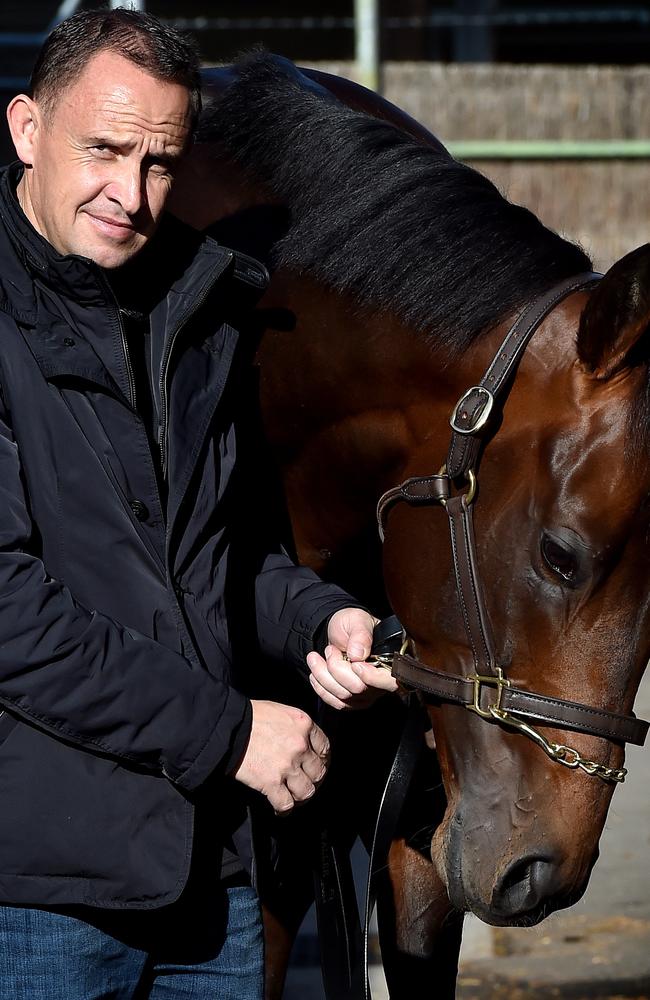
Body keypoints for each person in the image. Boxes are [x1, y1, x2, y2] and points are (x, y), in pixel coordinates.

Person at [0, 8, 396, 998]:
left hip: (213, 891)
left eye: (160, 162)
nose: (129, 195)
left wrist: (323, 615)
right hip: (40, 900)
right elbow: (10, 617)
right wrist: (229, 734)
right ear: (26, 130)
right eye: (104, 149)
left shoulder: (196, 308)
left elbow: (224, 554)